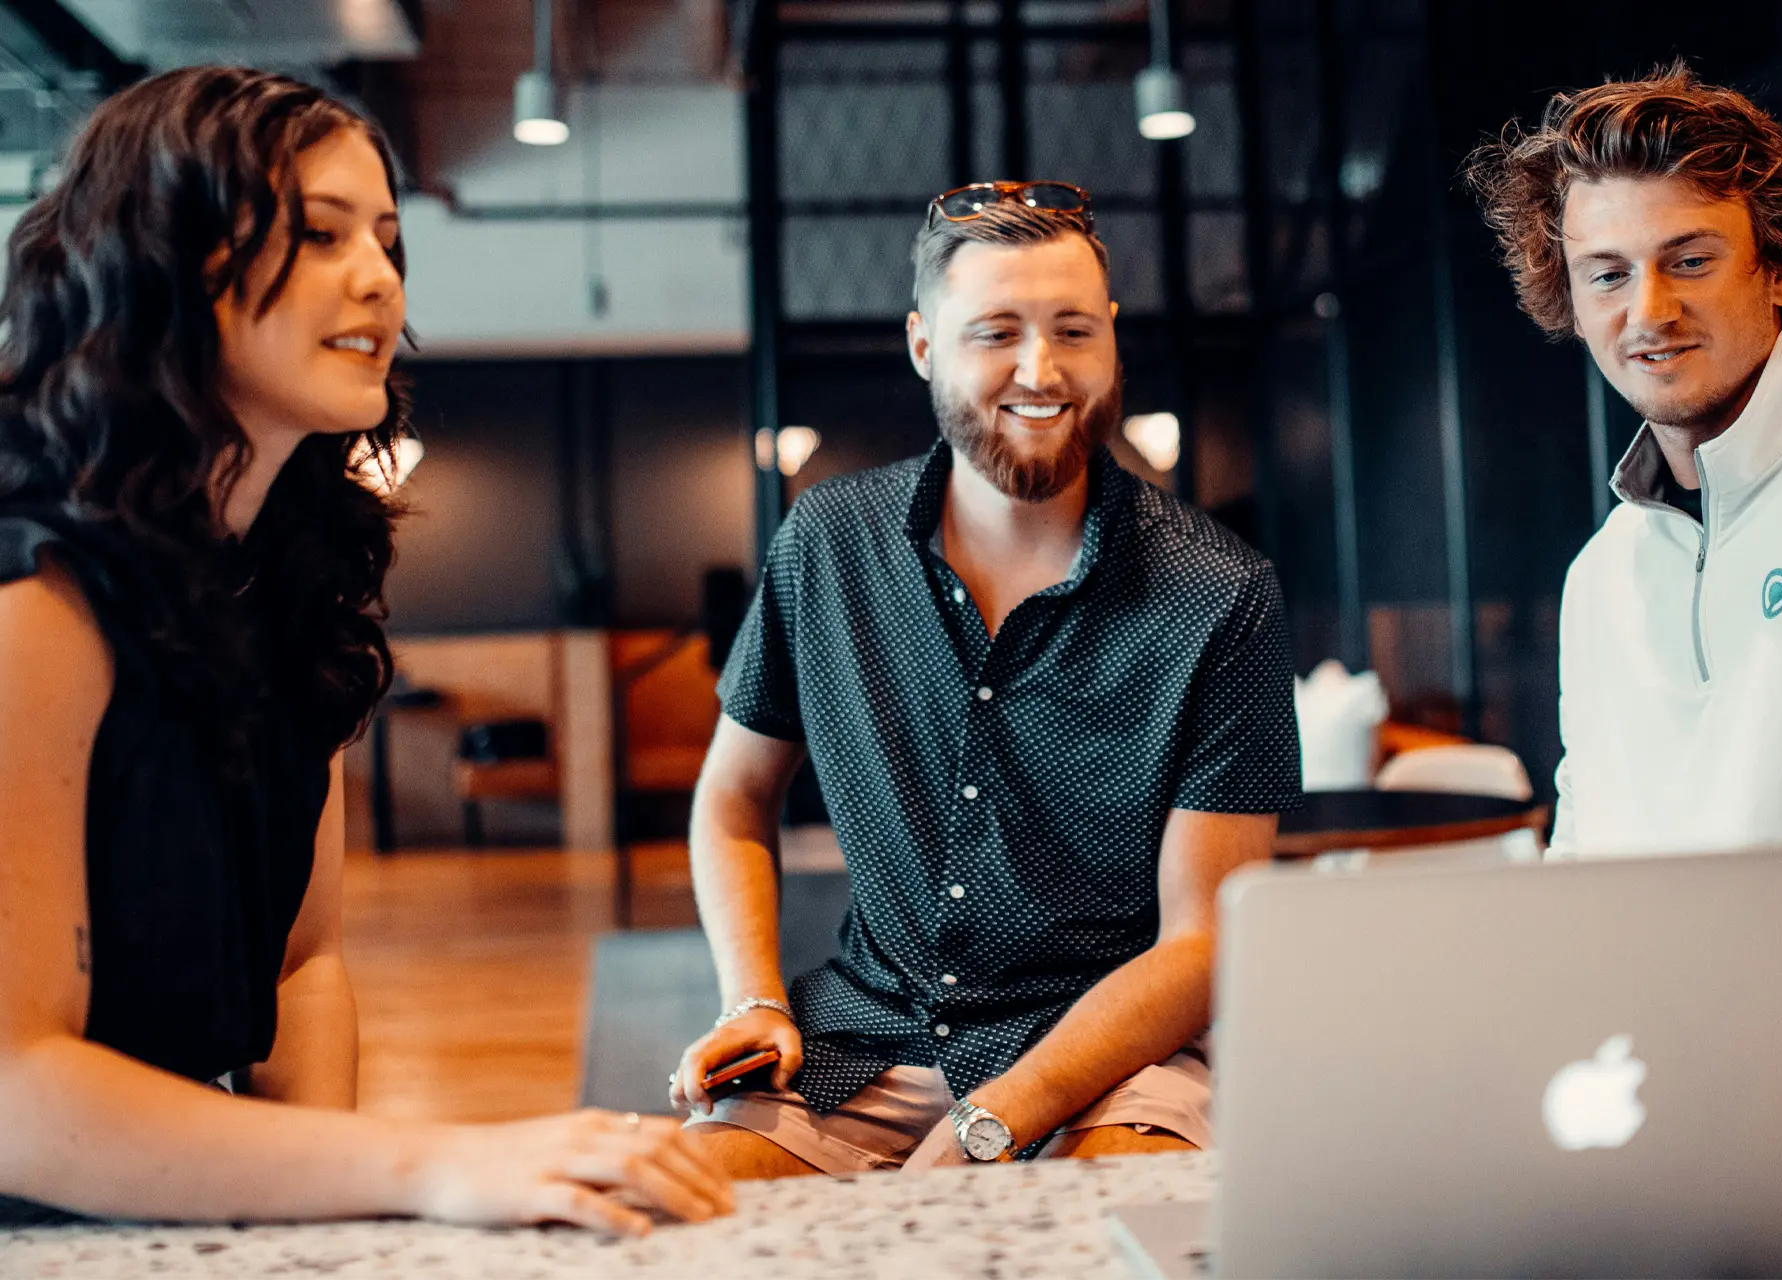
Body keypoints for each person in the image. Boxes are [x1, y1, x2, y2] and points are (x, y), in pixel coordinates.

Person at [0, 66, 730, 1233]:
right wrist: (421, 1167)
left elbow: (303, 965)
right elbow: (14, 1092)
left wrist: (328, 1222)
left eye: (389, 237)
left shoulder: (291, 578)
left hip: (162, 1207)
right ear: (168, 263)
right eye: (320, 232)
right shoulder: (32, 595)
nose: (380, 276)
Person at [670, 181, 1300, 1177]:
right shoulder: (827, 546)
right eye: (995, 331)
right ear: (925, 345)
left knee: (1083, 1241)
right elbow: (733, 802)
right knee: (687, 1219)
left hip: (1108, 1058)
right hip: (861, 1045)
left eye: (1072, 330)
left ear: (1113, 339)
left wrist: (992, 1120)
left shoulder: (1223, 594)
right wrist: (752, 998)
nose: (1040, 370)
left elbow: (1202, 941)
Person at [1468, 65, 1782, 856]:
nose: (1649, 312)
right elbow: (1581, 856)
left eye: (1690, 261)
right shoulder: (1602, 577)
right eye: (1608, 276)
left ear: (1779, 268)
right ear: (1571, 304)